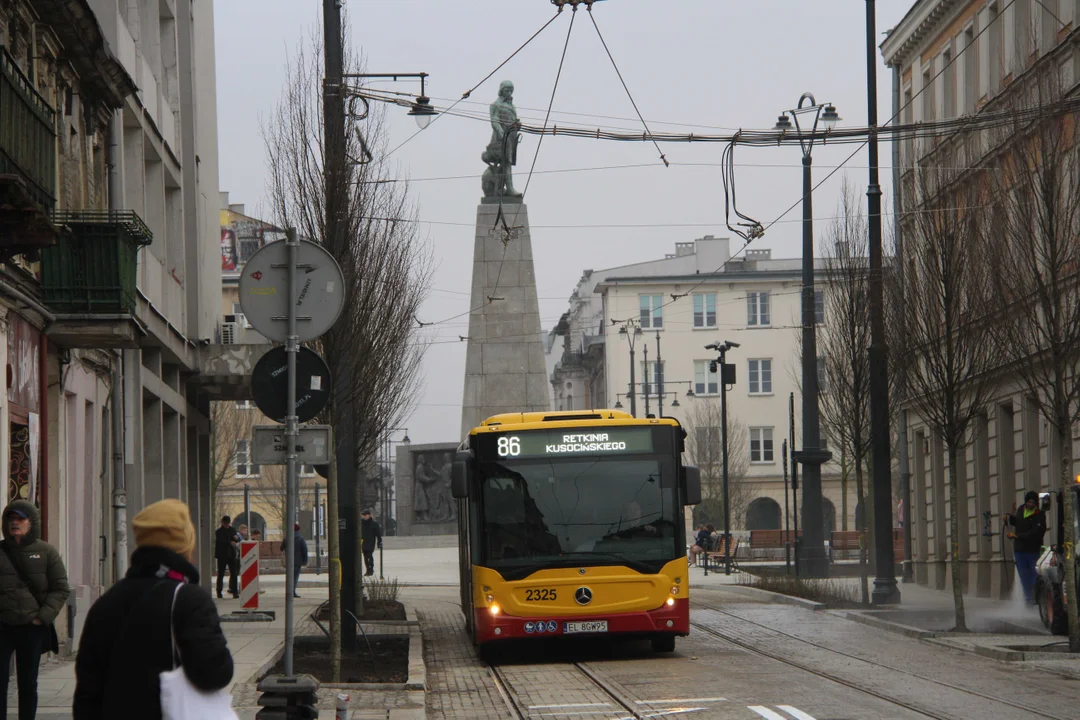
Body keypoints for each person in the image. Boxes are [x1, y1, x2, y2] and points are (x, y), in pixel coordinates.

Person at [73, 499, 234, 719]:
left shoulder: (106, 601)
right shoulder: (189, 599)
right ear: (185, 544)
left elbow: (87, 691)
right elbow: (214, 673)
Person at [0, 500, 70, 720]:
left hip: (32, 628)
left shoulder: (46, 552)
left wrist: (42, 618)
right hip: (3, 627)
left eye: (20, 519)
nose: (15, 523)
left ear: (31, 523)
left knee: (28, 681)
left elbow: (60, 588)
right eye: (11, 519)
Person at [1004, 491, 1047, 605]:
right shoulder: (1020, 510)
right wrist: (1009, 518)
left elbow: (1036, 532)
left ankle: (1036, 600)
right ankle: (1028, 600)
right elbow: (1016, 522)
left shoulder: (1039, 514)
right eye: (1029, 502)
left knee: (1034, 577)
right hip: (1020, 551)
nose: (1031, 504)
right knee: (1024, 577)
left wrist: (1018, 536)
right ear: (1026, 502)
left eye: (1033, 502)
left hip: (1033, 550)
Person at [214, 515, 241, 599]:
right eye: (225, 523)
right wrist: (231, 541)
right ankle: (219, 591)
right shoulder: (218, 531)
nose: (227, 525)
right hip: (222, 555)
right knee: (221, 574)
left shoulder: (232, 529)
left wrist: (236, 539)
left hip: (231, 555)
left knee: (234, 574)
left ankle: (235, 592)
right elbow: (222, 540)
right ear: (222, 523)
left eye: (228, 523)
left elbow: (236, 539)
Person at [280, 523, 308, 598]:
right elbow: (304, 550)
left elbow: (281, 548)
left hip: (289, 561)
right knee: (295, 577)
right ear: (298, 530)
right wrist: (305, 560)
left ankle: (288, 591)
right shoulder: (301, 538)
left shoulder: (287, 538)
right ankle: (293, 592)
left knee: (289, 577)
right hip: (297, 561)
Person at [360, 510, 383, 577]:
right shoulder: (362, 523)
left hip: (370, 542)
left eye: (366, 515)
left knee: (369, 556)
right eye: (364, 515)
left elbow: (378, 534)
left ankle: (370, 569)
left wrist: (379, 542)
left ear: (369, 515)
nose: (364, 516)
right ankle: (368, 569)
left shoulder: (374, 524)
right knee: (365, 557)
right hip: (363, 542)